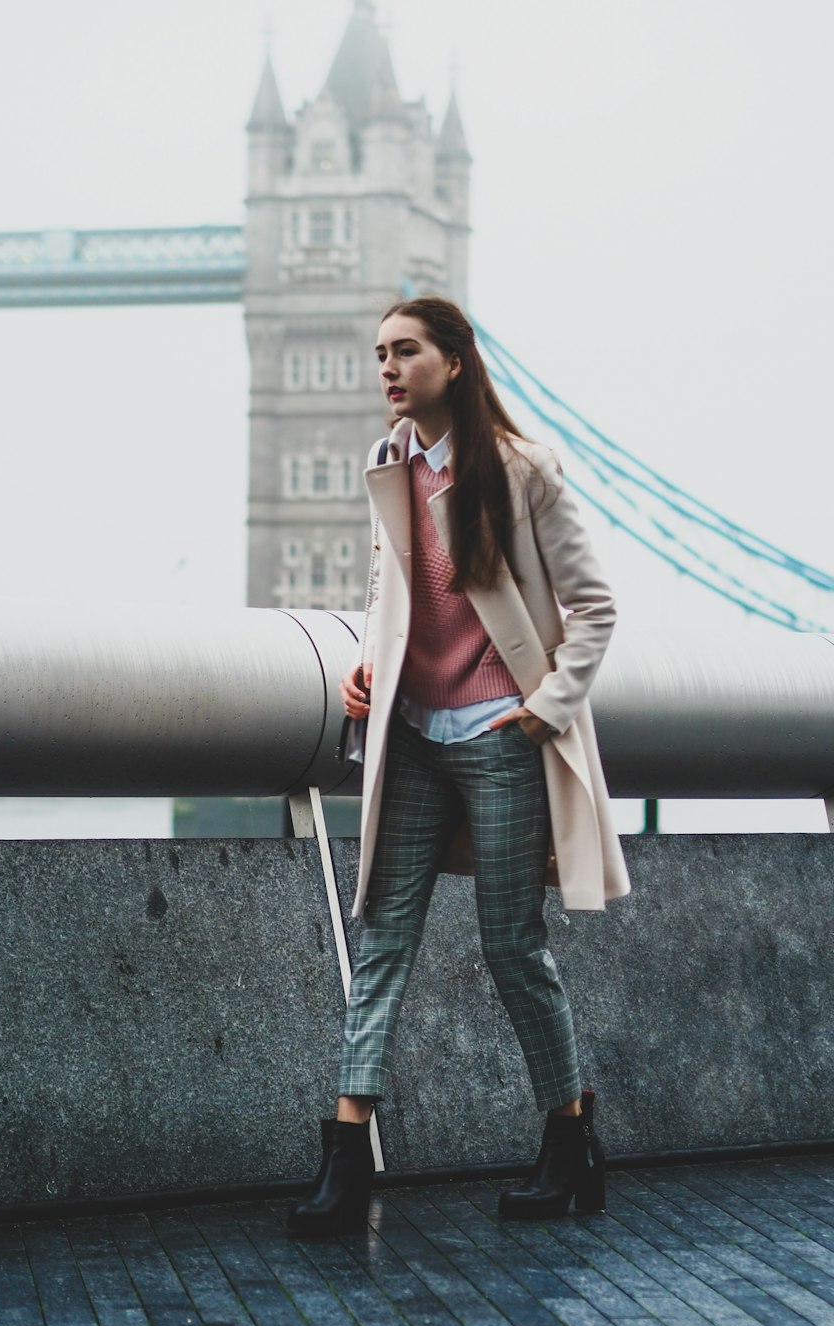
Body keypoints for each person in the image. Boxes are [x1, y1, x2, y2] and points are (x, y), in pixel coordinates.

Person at [286, 296, 631, 1239]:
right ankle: (347, 1158)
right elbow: (393, 598)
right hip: (414, 735)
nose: (386, 368)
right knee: (382, 940)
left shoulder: (523, 473)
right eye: (379, 353)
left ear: (455, 362)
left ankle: (569, 1137)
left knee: (512, 949)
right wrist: (367, 661)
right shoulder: (387, 466)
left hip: (499, 739)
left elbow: (596, 609)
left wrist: (543, 713)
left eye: (405, 352)